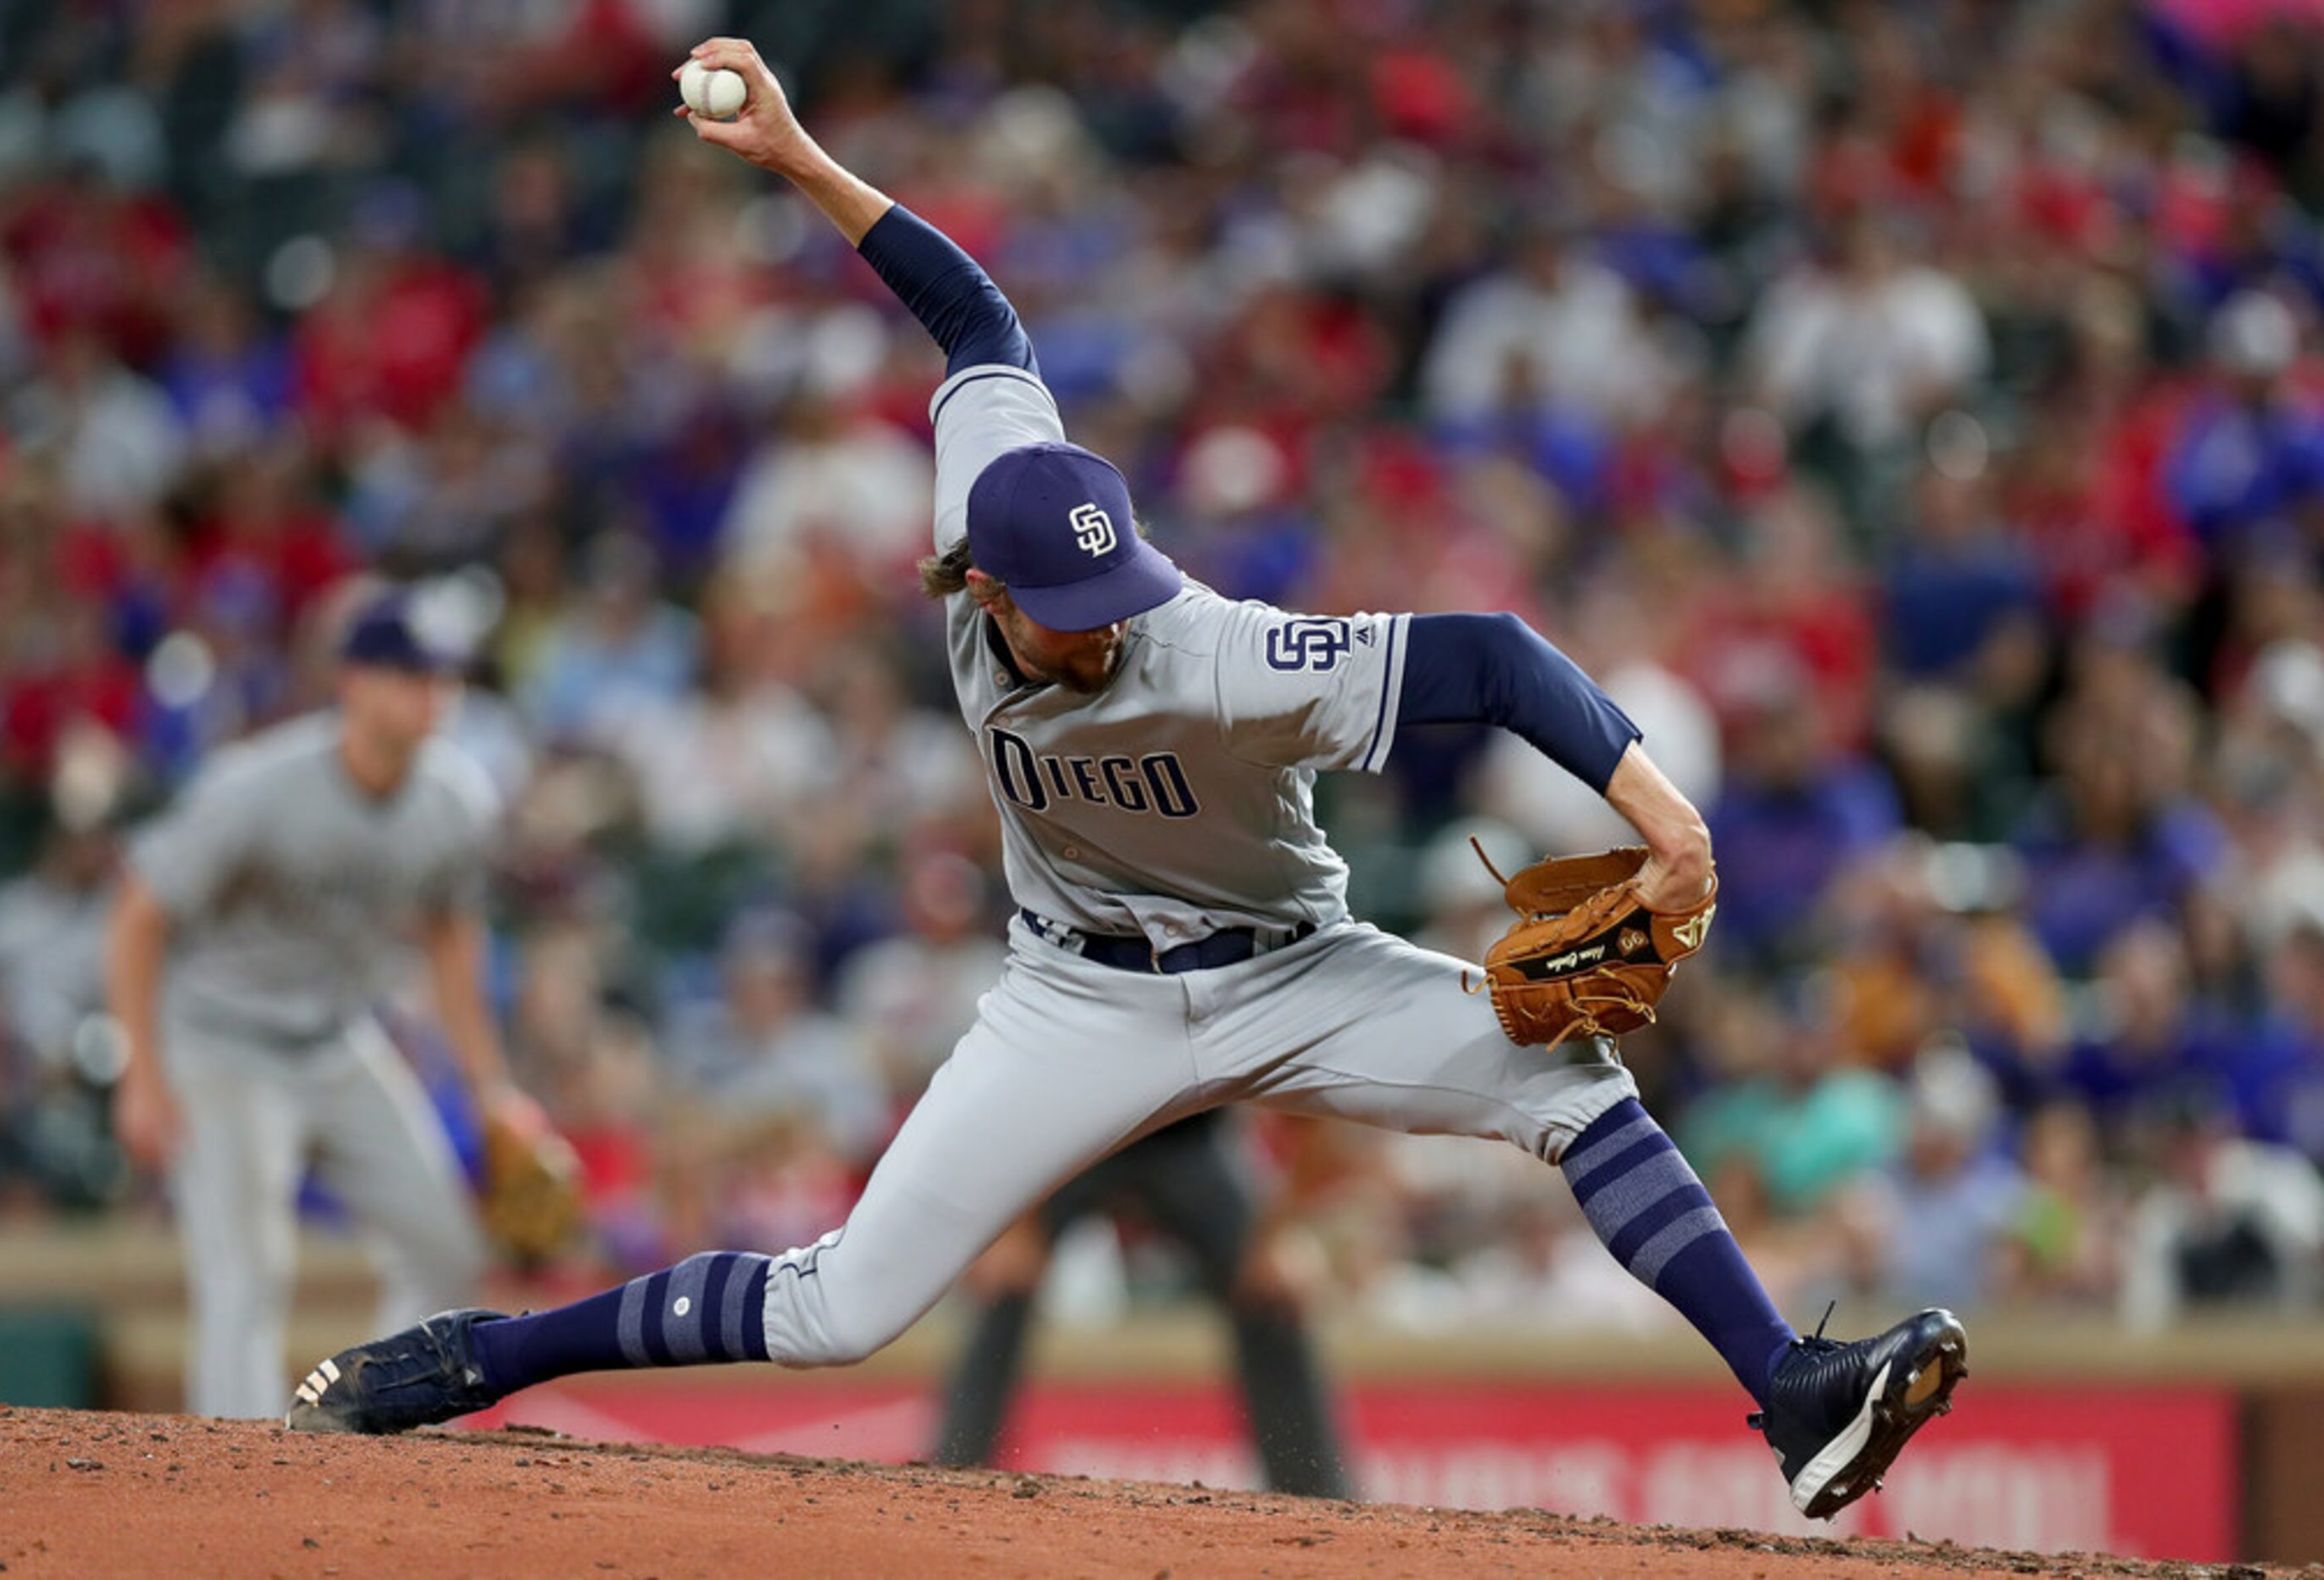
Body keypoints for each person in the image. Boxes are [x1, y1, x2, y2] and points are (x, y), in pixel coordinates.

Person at [288, 40, 1966, 1522]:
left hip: (1293, 971)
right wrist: (801, 163)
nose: (1107, 628)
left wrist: (1660, 823)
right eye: (1066, 612)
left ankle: (1796, 1395)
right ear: (980, 586)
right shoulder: (979, 504)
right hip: (1070, 1003)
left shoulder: (1214, 648)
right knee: (839, 1309)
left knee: (1567, 1080)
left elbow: (1494, 656)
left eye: (1116, 594)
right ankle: (488, 1356)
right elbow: (975, 317)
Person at [106, 587, 542, 1418]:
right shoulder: (259, 787)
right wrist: (142, 1073)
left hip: (341, 1042)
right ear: (354, 682)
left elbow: (450, 942)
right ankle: (235, 1484)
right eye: (412, 674)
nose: (434, 693)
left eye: (443, 676)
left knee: (443, 1245)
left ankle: (367, 1427)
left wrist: (492, 1090)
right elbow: (138, 914)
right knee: (248, 1271)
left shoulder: (454, 798)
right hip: (221, 1043)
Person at [932, 1110, 1353, 1499]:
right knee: (1003, 1282)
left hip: (1186, 1143)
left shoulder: (1255, 1029)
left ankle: (1315, 1498)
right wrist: (1012, 1229)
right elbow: (1018, 1082)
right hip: (1072, 1139)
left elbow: (1311, 1116)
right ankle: (951, 1479)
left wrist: (1276, 1238)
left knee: (1271, 1294)